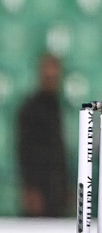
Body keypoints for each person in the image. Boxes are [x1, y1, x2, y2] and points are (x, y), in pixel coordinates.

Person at [16, 54, 71, 217]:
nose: (51, 79)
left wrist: (65, 185)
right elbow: (24, 150)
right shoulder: (29, 109)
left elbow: (60, 151)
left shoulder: (58, 107)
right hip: (38, 188)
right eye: (48, 75)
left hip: (57, 189)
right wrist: (30, 188)